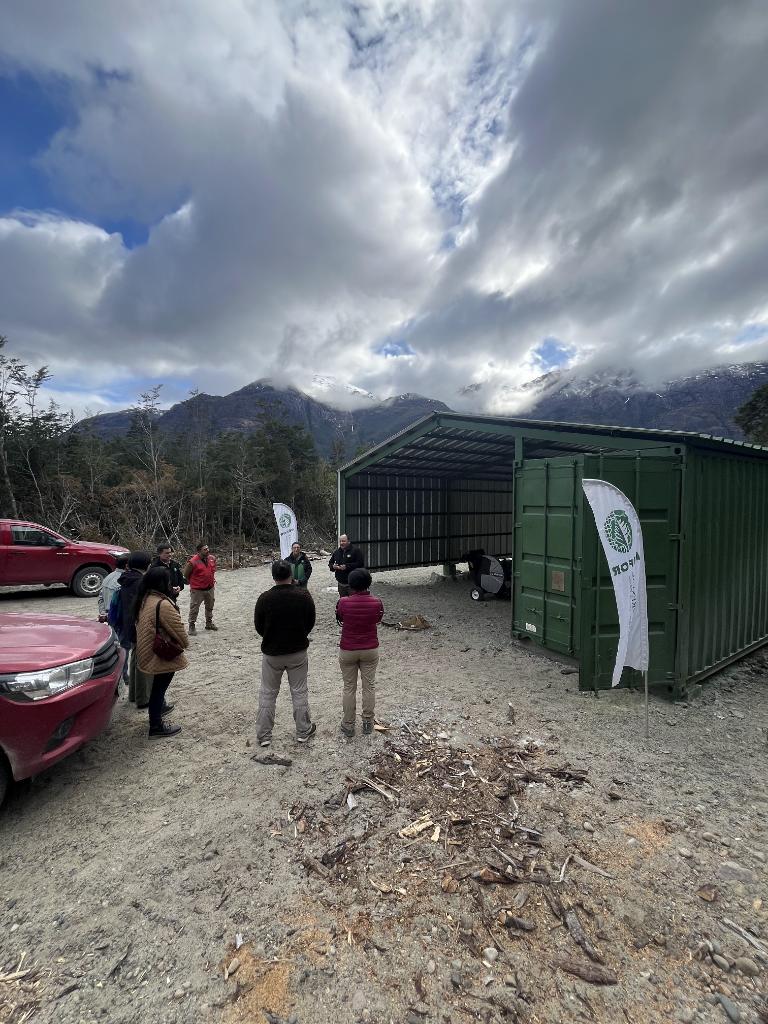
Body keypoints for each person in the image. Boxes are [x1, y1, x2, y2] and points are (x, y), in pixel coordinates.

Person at [254, 560, 317, 747]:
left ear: (273, 577)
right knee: (299, 692)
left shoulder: (264, 598)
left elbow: (259, 626)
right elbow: (310, 622)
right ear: (291, 575)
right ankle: (303, 730)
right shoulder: (304, 596)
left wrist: (271, 636)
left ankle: (264, 735)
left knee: (268, 693)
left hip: (272, 653)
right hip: (297, 650)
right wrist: (299, 634)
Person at [135, 565, 189, 738]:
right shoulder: (162, 604)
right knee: (159, 689)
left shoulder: (145, 598)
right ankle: (156, 726)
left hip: (146, 650)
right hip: (160, 653)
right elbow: (179, 631)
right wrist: (185, 643)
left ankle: (157, 714)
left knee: (157, 688)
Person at [336, 568, 383, 737]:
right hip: (370, 648)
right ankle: (368, 722)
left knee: (349, 687)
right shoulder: (377, 602)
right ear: (368, 583)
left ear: (351, 584)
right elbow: (378, 619)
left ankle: (348, 724)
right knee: (369, 686)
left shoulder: (343, 602)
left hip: (348, 648)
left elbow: (340, 618)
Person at [114, 551, 155, 709]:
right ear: (146, 565)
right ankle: (144, 698)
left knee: (136, 658)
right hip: (140, 625)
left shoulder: (127, 579)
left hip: (129, 624)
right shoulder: (140, 582)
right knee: (145, 662)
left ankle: (134, 694)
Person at [99, 553, 129, 681]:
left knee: (115, 646)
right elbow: (115, 604)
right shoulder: (122, 581)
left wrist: (103, 614)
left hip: (110, 617)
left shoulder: (108, 577)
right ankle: (123, 675)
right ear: (127, 565)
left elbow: (100, 597)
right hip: (118, 619)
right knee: (122, 648)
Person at [183, 542, 217, 634]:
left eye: (208, 548)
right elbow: (186, 574)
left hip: (210, 588)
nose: (207, 550)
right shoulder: (192, 562)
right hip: (197, 590)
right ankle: (191, 626)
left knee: (210, 606)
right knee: (194, 608)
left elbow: (212, 571)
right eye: (205, 549)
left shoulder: (212, 558)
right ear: (199, 551)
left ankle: (209, 623)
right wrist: (195, 583)